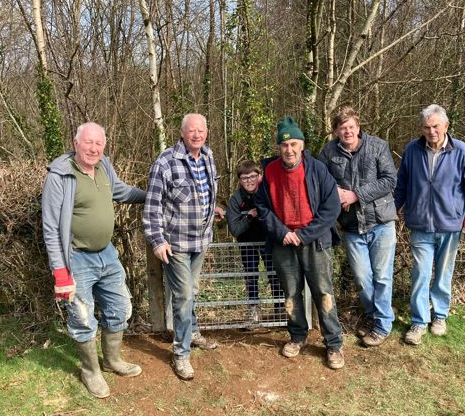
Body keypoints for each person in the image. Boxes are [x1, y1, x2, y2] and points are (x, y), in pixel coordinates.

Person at [41, 122, 145, 399]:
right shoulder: (60, 176)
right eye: (88, 142)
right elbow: (51, 227)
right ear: (75, 143)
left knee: (120, 308)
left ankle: (111, 360)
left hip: (107, 253)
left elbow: (120, 191)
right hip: (77, 258)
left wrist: (151, 196)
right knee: (83, 317)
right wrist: (60, 272)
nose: (94, 148)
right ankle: (90, 371)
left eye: (99, 143)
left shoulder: (103, 166)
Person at [255, 116, 345, 370]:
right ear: (279, 148)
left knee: (323, 292)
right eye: (284, 145)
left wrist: (305, 234)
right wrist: (281, 232)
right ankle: (297, 336)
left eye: (294, 144)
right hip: (283, 242)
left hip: (314, 242)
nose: (289, 149)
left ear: (302, 145)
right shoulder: (270, 171)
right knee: (291, 294)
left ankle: (334, 343)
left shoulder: (317, 169)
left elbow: (331, 207)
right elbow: (262, 207)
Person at [142, 113, 225, 380]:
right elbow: (152, 206)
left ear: (207, 132)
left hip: (200, 240)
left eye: (201, 130)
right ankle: (181, 353)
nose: (197, 135)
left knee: (194, 291)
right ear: (182, 132)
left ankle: (193, 332)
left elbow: (205, 194)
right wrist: (157, 240)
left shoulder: (208, 157)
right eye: (192, 131)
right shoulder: (165, 162)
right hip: (175, 243)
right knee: (184, 296)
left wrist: (213, 211)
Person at [395, 104, 465, 345]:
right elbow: (402, 184)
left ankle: (439, 316)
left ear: (446, 126)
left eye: (435, 126)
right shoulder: (412, 150)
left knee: (443, 273)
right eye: (426, 127)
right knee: (420, 274)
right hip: (420, 223)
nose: (431, 131)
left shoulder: (461, 151)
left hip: (450, 223)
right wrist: (392, 211)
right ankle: (419, 321)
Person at [318, 105, 398, 348]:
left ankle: (382, 324)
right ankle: (378, 314)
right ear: (335, 132)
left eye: (351, 127)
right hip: (352, 226)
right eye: (342, 128)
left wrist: (356, 195)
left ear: (358, 127)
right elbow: (321, 180)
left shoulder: (377, 146)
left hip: (381, 221)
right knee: (363, 278)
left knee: (383, 277)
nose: (348, 132)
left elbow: (390, 180)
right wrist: (336, 192)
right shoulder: (328, 152)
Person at [227, 160, 283, 323]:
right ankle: (254, 310)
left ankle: (280, 309)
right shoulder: (236, 199)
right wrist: (250, 216)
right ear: (239, 180)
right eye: (244, 178)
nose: (249, 181)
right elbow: (235, 230)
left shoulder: (268, 192)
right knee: (251, 275)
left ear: (260, 176)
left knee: (275, 274)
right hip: (247, 243)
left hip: (269, 241)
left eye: (253, 176)